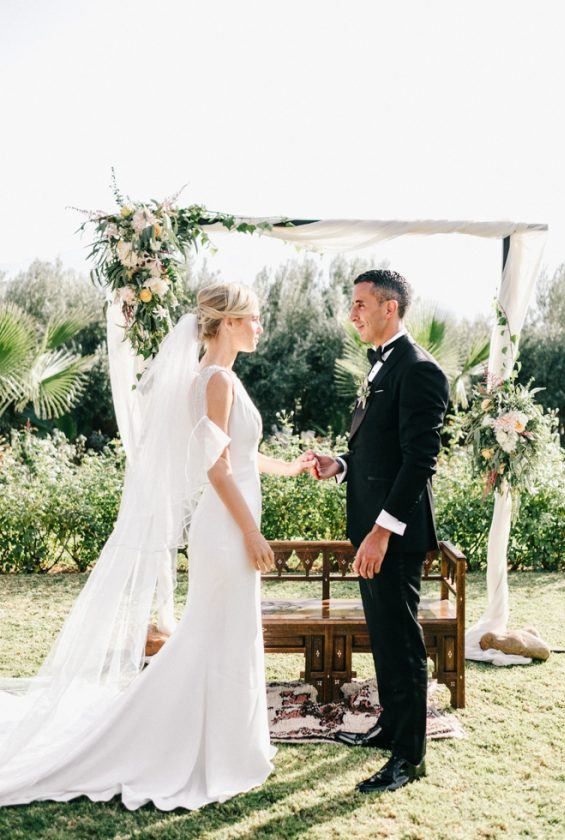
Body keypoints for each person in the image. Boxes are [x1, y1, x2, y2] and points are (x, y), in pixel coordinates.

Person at [0, 282, 315, 811]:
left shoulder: (220, 378)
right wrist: (251, 532)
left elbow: (238, 455)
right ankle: (196, 746)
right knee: (213, 633)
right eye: (255, 318)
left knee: (222, 632)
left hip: (229, 523)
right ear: (231, 322)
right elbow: (216, 470)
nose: (261, 326)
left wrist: (291, 466)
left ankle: (224, 744)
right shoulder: (215, 380)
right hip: (227, 527)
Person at [307, 269, 449, 794]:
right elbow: (378, 452)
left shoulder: (419, 371)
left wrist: (382, 532)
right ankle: (392, 725)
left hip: (392, 535)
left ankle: (410, 759)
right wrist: (339, 464)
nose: (353, 314)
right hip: (370, 529)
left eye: (361, 303)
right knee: (385, 641)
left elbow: (419, 461)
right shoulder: (381, 367)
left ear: (390, 308)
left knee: (402, 642)